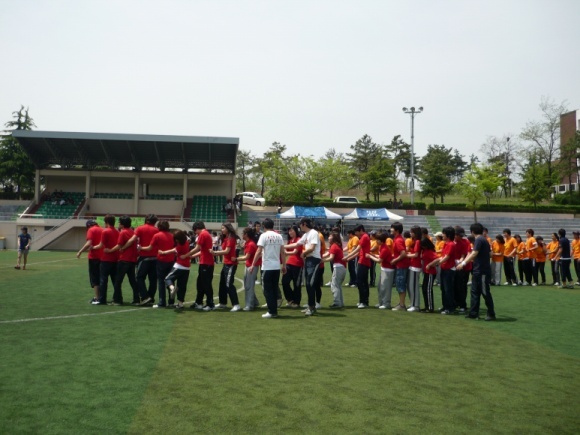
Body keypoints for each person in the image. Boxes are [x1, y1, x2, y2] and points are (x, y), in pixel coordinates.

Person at [457, 222, 496, 321]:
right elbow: (490, 254)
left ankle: (491, 313)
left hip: (481, 271)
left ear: (472, 231)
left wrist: (463, 263)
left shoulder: (478, 240)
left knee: (484, 292)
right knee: (474, 292)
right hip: (478, 270)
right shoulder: (484, 240)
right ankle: (473, 313)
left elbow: (474, 253)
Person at [250, 218, 286, 318]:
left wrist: (253, 264)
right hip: (276, 267)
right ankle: (274, 310)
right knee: (274, 288)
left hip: (267, 266)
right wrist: (284, 265)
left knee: (267, 290)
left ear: (264, 226)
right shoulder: (279, 236)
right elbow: (282, 252)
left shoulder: (263, 236)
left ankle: (271, 311)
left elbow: (259, 251)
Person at [137, 220, 175, 308]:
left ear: (159, 227)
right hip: (171, 260)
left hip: (161, 260)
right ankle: (171, 302)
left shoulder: (157, 235)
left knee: (161, 281)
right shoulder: (171, 235)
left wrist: (140, 248)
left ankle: (162, 302)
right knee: (170, 280)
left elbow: (150, 248)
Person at [106, 215, 143, 305]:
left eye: (119, 222)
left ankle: (117, 299)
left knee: (118, 281)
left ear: (122, 224)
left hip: (124, 259)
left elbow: (119, 245)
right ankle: (136, 299)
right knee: (132, 280)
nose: (118, 223)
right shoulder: (132, 232)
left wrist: (110, 250)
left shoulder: (123, 232)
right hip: (132, 260)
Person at [123, 214, 159, 304]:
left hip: (144, 257)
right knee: (153, 279)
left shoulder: (140, 228)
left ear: (146, 220)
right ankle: (151, 297)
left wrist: (123, 247)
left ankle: (145, 296)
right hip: (155, 258)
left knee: (139, 277)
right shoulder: (157, 230)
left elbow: (132, 240)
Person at [185, 221, 215, 311]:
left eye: (195, 231)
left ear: (197, 229)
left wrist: (186, 255)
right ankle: (199, 302)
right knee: (200, 284)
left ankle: (210, 304)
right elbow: (202, 250)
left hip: (206, 263)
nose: (195, 233)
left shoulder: (203, 234)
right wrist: (192, 256)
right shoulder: (206, 234)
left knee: (206, 284)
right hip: (205, 262)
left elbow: (197, 248)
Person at [427, 226, 456, 315]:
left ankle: (450, 308)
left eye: (444, 233)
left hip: (449, 269)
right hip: (444, 268)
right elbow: (443, 256)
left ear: (448, 235)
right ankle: (445, 306)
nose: (442, 235)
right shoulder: (446, 244)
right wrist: (435, 263)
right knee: (443, 288)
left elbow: (446, 257)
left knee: (448, 289)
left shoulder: (451, 244)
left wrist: (437, 263)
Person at [159, 230, 191, 310]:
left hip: (179, 266)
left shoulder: (179, 246)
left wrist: (163, 252)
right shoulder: (187, 242)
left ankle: (172, 288)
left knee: (167, 278)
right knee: (182, 285)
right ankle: (180, 303)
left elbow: (173, 251)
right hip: (187, 267)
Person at [213, 223, 241, 312]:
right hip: (226, 263)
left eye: (223, 228)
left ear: (228, 228)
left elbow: (226, 251)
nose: (222, 230)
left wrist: (214, 253)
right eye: (221, 228)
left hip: (231, 264)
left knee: (229, 284)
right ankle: (222, 303)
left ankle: (236, 304)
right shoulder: (225, 238)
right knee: (222, 283)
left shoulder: (231, 238)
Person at [91, 215, 119, 305]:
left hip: (106, 259)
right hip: (115, 259)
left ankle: (102, 299)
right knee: (115, 280)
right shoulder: (117, 232)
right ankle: (118, 298)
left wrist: (93, 247)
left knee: (103, 280)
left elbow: (101, 245)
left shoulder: (105, 231)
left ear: (106, 222)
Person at [345, 225, 371, 308]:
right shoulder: (364, 237)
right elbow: (359, 252)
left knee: (360, 282)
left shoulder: (364, 237)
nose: (356, 234)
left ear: (361, 230)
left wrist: (347, 256)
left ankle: (363, 301)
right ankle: (364, 301)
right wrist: (349, 258)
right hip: (363, 261)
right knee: (363, 282)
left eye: (356, 232)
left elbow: (357, 249)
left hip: (363, 262)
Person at [77, 220, 103, 303]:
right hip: (103, 257)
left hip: (94, 257)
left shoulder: (91, 230)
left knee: (95, 278)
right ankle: (102, 296)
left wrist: (80, 251)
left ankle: (97, 297)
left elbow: (89, 243)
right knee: (101, 278)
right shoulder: (102, 229)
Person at [367, 231, 394, 309]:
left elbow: (379, 260)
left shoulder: (384, 248)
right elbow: (380, 256)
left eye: (378, 240)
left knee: (385, 287)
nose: (376, 241)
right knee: (380, 286)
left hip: (388, 270)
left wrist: (370, 256)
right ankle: (381, 302)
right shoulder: (381, 246)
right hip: (384, 269)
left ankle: (386, 303)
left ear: (381, 241)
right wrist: (373, 255)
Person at [237, 227, 261, 311]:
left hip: (252, 266)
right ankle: (254, 302)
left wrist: (236, 259)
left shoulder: (250, 244)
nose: (242, 235)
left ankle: (249, 305)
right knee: (247, 284)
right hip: (249, 265)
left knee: (249, 285)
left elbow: (246, 257)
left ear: (246, 234)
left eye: (243, 233)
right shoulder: (248, 243)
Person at [321, 231, 346, 308]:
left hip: (338, 267)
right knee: (338, 285)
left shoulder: (334, 246)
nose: (328, 238)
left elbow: (331, 257)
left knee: (334, 285)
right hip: (342, 267)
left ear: (334, 238)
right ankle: (340, 302)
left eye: (330, 236)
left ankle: (337, 302)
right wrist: (319, 257)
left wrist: (322, 260)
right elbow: (327, 254)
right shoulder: (336, 245)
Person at [282, 225, 303, 308]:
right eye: (289, 231)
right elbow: (285, 251)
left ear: (296, 231)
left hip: (298, 264)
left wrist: (285, 251)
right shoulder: (290, 241)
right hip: (289, 264)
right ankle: (290, 299)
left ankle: (296, 302)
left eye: (292, 230)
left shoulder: (299, 240)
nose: (290, 232)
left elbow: (295, 252)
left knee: (296, 284)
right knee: (284, 281)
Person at [390, 221, 409, 311]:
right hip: (400, 265)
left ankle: (402, 305)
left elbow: (403, 253)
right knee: (399, 284)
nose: (391, 229)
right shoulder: (397, 239)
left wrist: (395, 260)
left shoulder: (398, 240)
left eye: (392, 228)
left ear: (397, 230)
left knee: (400, 284)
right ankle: (401, 303)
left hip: (401, 265)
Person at [405, 226, 422, 312]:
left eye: (412, 232)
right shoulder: (414, 241)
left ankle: (415, 305)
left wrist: (406, 255)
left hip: (415, 266)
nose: (410, 233)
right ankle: (413, 303)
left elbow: (416, 255)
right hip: (412, 265)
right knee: (411, 286)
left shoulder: (418, 241)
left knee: (414, 286)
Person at [421, 237, 438, 313]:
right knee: (424, 288)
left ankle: (430, 307)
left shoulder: (430, 251)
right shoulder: (425, 251)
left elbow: (437, 259)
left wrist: (430, 264)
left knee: (428, 289)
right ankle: (427, 306)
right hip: (426, 272)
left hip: (430, 272)